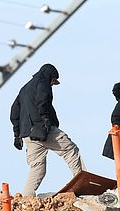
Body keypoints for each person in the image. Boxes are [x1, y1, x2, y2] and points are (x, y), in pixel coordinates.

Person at [10, 63, 84, 197]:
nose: (52, 85)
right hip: (42, 130)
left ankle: (27, 197)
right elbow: (42, 101)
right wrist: (45, 120)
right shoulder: (42, 82)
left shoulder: (24, 89)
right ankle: (83, 184)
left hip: (28, 136)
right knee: (70, 150)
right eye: (53, 82)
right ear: (50, 76)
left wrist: (17, 135)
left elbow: (14, 112)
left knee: (37, 167)